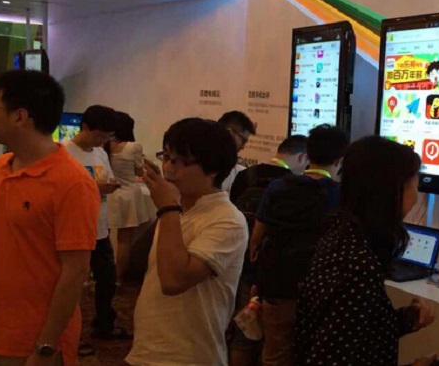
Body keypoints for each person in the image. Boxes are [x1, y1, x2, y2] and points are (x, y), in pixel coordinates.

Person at [0, 70, 99, 366]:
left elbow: (76, 272)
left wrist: (46, 346)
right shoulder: (2, 165)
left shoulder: (72, 182)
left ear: (20, 116)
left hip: (31, 340)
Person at [296, 136, 436, 366]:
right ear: (392, 190)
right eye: (415, 184)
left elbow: (354, 330)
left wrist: (404, 320)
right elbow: (330, 356)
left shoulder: (342, 234)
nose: (417, 195)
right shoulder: (358, 266)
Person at [126, 118, 248, 366]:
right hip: (148, 350)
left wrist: (168, 208)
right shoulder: (178, 209)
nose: (168, 168)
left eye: (180, 161)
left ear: (212, 169)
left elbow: (173, 280)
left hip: (189, 356)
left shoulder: (227, 220)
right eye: (166, 157)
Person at [250, 125, 348, 366]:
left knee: (274, 354)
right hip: (318, 290)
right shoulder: (341, 195)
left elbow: (257, 237)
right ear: (340, 160)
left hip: (277, 285)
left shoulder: (278, 186)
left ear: (308, 154)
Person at [227, 134, 309, 366]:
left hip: (242, 259)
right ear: (301, 157)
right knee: (273, 339)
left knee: (243, 327)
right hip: (275, 268)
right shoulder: (292, 185)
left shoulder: (245, 175)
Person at [64, 105, 131, 342]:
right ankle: (69, 335)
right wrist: (95, 187)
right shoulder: (64, 153)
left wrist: (109, 186)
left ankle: (103, 324)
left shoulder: (100, 153)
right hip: (74, 229)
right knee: (71, 284)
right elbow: (60, 190)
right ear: (85, 127)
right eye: (100, 135)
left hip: (99, 228)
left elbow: (106, 179)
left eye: (107, 137)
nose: (103, 141)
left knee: (106, 279)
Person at [105, 111, 153, 285]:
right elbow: (139, 172)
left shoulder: (104, 146)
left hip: (108, 195)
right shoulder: (133, 147)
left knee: (102, 238)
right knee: (124, 241)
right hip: (128, 196)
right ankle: (117, 279)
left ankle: (100, 275)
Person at [218, 110, 257, 191]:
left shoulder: (240, 173)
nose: (243, 147)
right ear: (229, 132)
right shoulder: (197, 165)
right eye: (243, 141)